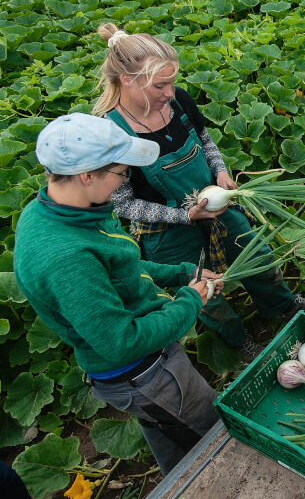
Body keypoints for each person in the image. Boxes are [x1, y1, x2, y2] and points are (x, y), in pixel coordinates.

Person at [91, 23, 305, 349]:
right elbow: (123, 204)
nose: (170, 93)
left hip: (215, 203)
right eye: (161, 86)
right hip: (166, 230)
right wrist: (185, 216)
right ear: (128, 80)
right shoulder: (110, 134)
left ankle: (283, 308)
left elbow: (204, 140)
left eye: (172, 83)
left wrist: (220, 172)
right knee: (203, 289)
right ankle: (241, 342)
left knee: (254, 251)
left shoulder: (178, 102)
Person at [14, 113, 223, 474]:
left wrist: (180, 273)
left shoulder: (67, 210)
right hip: (142, 373)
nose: (124, 182)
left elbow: (120, 265)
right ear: (87, 175)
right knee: (208, 432)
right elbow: (121, 342)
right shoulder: (65, 257)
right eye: (121, 173)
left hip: (146, 368)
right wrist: (191, 300)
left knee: (168, 429)